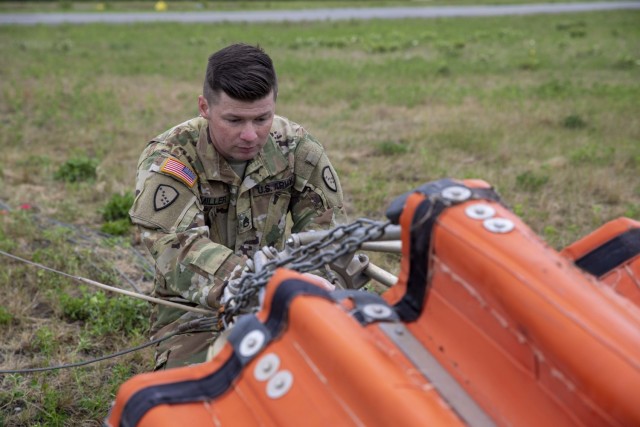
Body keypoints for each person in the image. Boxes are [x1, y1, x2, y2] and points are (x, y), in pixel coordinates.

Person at [129, 43, 347, 370]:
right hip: (196, 308)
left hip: (286, 298)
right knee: (204, 393)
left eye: (262, 118)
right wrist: (254, 282)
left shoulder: (297, 148)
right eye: (233, 120)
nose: (249, 135)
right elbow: (175, 247)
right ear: (205, 107)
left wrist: (307, 289)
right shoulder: (173, 157)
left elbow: (326, 238)